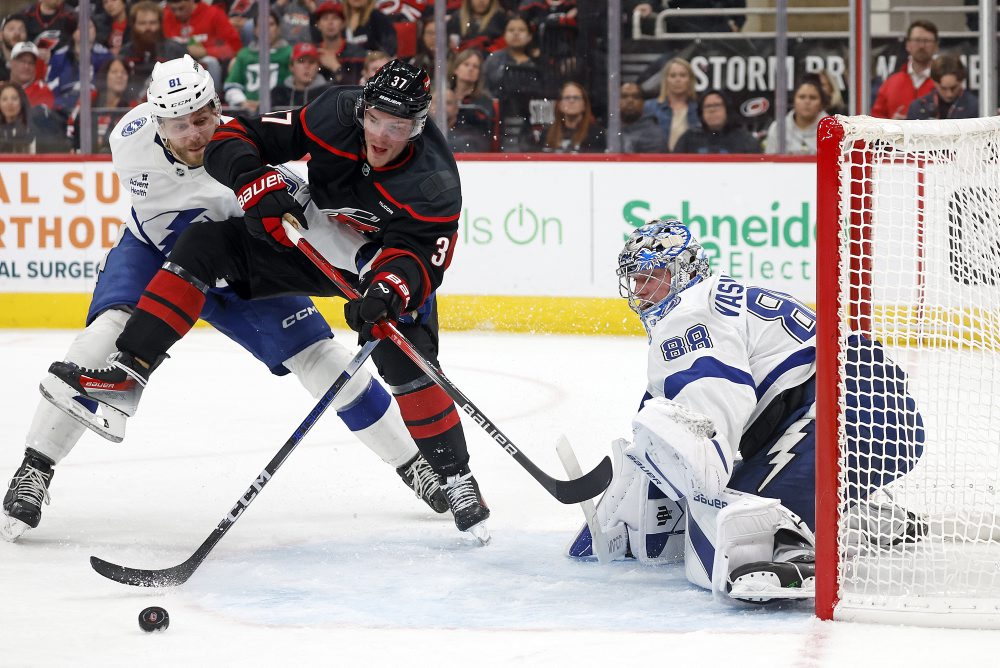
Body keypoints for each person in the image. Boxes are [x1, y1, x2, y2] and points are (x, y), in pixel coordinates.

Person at [34, 59, 492, 543]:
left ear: (418, 126)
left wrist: (387, 290)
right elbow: (249, 136)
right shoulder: (337, 111)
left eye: (397, 126)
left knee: (405, 357)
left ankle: (454, 476)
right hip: (273, 245)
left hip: (367, 263)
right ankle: (125, 377)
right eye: (374, 118)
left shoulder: (434, 184)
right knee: (202, 245)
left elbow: (422, 260)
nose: (380, 135)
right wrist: (253, 179)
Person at [567, 219, 925, 603]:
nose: (641, 291)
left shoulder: (689, 316)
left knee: (740, 520)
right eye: (635, 280)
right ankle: (851, 515)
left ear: (683, 270)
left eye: (652, 276)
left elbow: (710, 427)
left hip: (849, 410)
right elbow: (666, 420)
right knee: (740, 490)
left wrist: (699, 498)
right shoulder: (713, 301)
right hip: (870, 410)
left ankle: (794, 553)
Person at [482, 14, 543, 151]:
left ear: (529, 36)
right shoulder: (494, 60)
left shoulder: (539, 61)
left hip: (534, 116)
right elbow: (486, 88)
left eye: (521, 30)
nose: (516, 33)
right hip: (501, 116)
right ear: (504, 35)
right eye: (511, 30)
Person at [162, 0, 243, 94]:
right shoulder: (166, 15)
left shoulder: (214, 14)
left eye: (181, 8)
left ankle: (211, 98)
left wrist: (206, 51)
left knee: (210, 61)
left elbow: (235, 48)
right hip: (176, 66)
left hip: (205, 66)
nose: (177, 13)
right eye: (173, 9)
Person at [224, 11, 293, 113]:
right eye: (261, 25)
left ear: (278, 29)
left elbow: (295, 86)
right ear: (255, 30)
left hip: (279, 112)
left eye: (271, 24)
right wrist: (243, 102)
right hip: (247, 113)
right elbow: (232, 85)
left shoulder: (289, 53)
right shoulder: (244, 54)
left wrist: (271, 102)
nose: (266, 29)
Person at [871, 19, 938, 120]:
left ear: (936, 46)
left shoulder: (944, 84)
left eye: (927, 41)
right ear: (908, 45)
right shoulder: (890, 83)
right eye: (917, 40)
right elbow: (876, 119)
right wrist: (891, 124)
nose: (921, 46)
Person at [46, 18, 113, 117]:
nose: (85, 31)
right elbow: (50, 87)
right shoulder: (59, 56)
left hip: (96, 110)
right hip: (64, 112)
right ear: (73, 32)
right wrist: (61, 106)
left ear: (95, 31)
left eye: (89, 27)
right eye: (80, 28)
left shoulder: (106, 56)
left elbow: (108, 89)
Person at [70, 56, 138, 153]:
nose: (120, 75)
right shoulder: (90, 99)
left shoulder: (133, 107)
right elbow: (72, 127)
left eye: (124, 72)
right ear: (105, 76)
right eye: (114, 72)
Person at [118, 1, 187, 92]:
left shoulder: (176, 50)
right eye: (142, 23)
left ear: (160, 24)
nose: (148, 28)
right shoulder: (125, 53)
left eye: (153, 23)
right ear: (133, 25)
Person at [673, 89, 760, 154]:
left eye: (717, 105)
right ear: (701, 112)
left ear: (727, 109)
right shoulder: (688, 138)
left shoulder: (745, 140)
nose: (712, 110)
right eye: (708, 106)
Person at [643, 57, 699, 152]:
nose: (678, 80)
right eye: (673, 76)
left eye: (683, 75)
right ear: (666, 80)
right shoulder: (649, 107)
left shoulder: (699, 109)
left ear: (690, 79)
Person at [763, 76, 828, 155]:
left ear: (821, 103)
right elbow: (770, 163)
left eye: (813, 98)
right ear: (794, 101)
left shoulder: (833, 130)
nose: (807, 102)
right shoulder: (778, 128)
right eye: (802, 97)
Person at [534, 80, 603, 153]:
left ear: (584, 105)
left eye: (576, 97)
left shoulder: (596, 134)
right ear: (559, 105)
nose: (571, 101)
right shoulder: (547, 133)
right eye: (567, 97)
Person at [907, 53, 979, 120]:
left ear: (961, 81)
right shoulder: (918, 107)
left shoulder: (976, 107)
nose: (949, 94)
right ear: (934, 82)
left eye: (953, 88)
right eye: (943, 88)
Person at [271, 42, 332, 108]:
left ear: (318, 67)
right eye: (301, 61)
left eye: (311, 62)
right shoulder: (279, 93)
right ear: (291, 66)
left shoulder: (327, 93)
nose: (306, 66)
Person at [619, 81, 667, 153]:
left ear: (643, 103)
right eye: (624, 96)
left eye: (635, 97)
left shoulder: (653, 135)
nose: (630, 101)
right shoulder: (610, 130)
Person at [7, 41, 54, 110]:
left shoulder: (43, 92)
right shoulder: (2, 89)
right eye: (22, 61)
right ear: (12, 63)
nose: (26, 66)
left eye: (31, 63)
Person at [0, 82, 36, 153]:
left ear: (22, 102)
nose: (9, 103)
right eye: (4, 99)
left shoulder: (33, 129)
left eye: (14, 98)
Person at [1, 15, 30, 82]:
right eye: (11, 29)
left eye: (21, 30)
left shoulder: (33, 64)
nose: (17, 33)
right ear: (1, 35)